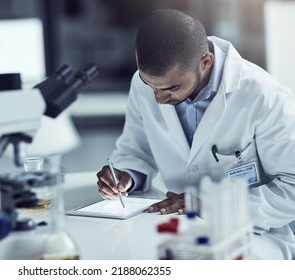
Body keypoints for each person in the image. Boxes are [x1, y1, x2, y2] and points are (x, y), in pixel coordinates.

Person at [96, 8, 295, 259]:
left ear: (205, 61)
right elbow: (135, 150)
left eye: (172, 88)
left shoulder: (264, 96)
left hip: (251, 232)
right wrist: (126, 176)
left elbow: (292, 186)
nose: (158, 99)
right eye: (150, 86)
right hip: (175, 226)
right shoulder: (145, 83)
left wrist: (207, 205)